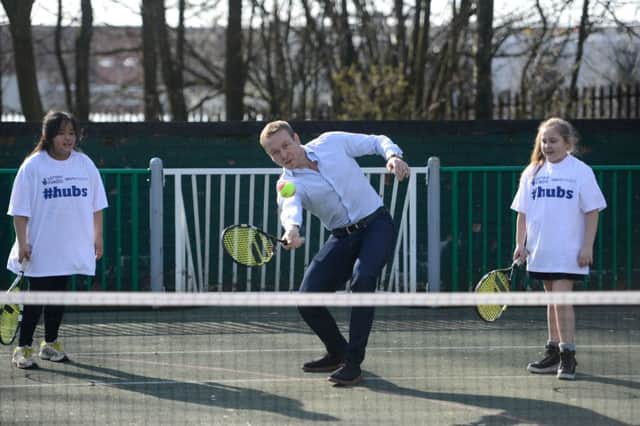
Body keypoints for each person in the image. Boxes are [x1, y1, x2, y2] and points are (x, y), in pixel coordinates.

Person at [259, 121, 410, 386]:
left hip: (377, 225)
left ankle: (353, 363)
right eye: (275, 153)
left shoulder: (331, 142)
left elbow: (376, 141)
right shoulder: (287, 183)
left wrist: (393, 156)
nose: (283, 154)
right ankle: (337, 351)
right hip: (342, 237)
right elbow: (290, 207)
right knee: (307, 299)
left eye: (285, 145)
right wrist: (292, 230)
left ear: (296, 138)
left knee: (362, 280)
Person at [7, 111, 108, 369]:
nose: (68, 138)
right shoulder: (32, 166)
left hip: (69, 247)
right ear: (49, 136)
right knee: (36, 298)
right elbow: (19, 210)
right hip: (39, 247)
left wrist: (97, 238)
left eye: (72, 133)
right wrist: (23, 243)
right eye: (62, 133)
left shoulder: (85, 164)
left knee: (59, 296)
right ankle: (23, 349)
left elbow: (97, 206)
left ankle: (50, 345)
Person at [511, 117, 606, 380]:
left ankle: (568, 356)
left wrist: (587, 246)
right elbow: (522, 213)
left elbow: (592, 211)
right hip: (541, 251)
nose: (547, 146)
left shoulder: (581, 172)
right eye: (544, 141)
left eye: (553, 141)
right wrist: (521, 244)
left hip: (569, 251)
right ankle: (552, 353)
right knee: (551, 302)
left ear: (568, 143)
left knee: (561, 301)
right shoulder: (532, 173)